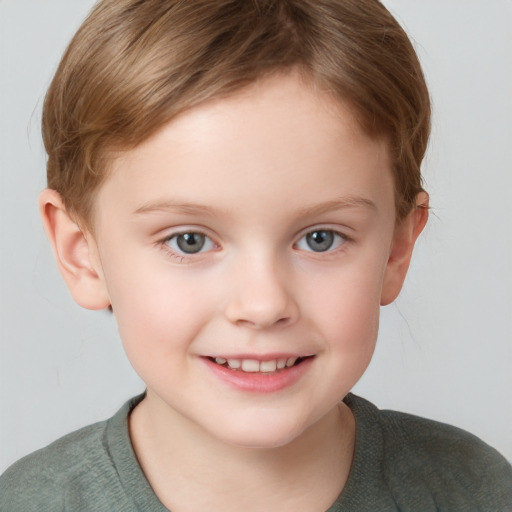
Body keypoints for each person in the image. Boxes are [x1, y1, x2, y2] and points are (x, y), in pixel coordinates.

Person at [1, 0, 511, 510]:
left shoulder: (477, 492)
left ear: (397, 250)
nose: (264, 304)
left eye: (321, 238)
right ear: (82, 254)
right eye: (189, 241)